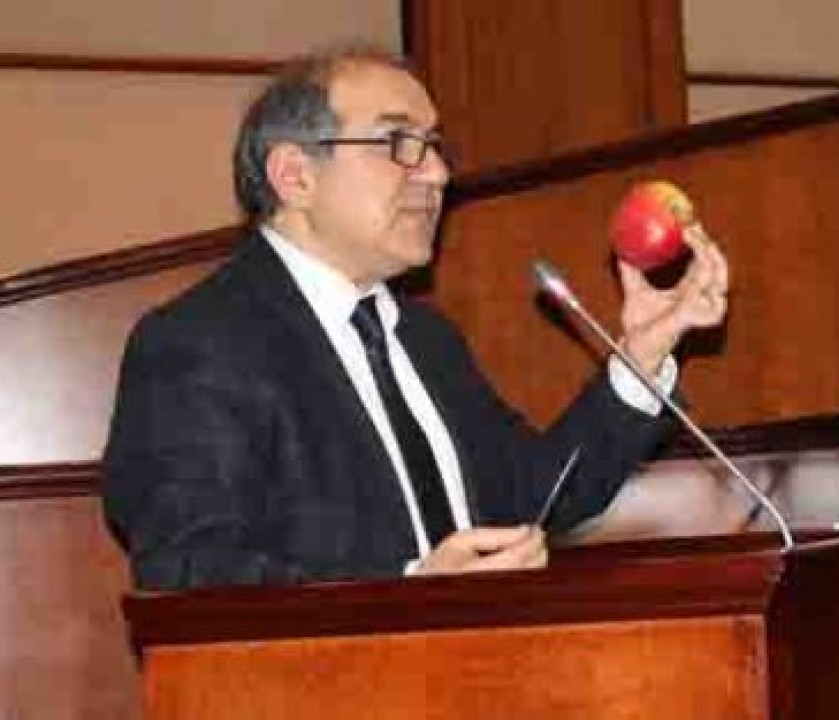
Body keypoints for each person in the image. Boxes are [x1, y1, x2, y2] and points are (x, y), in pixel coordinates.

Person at [101, 44, 729, 590]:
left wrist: (642, 357)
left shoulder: (426, 337)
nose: (437, 174)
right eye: (398, 144)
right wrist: (406, 590)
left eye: (434, 147)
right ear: (294, 176)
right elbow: (189, 569)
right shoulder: (198, 343)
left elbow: (536, 500)